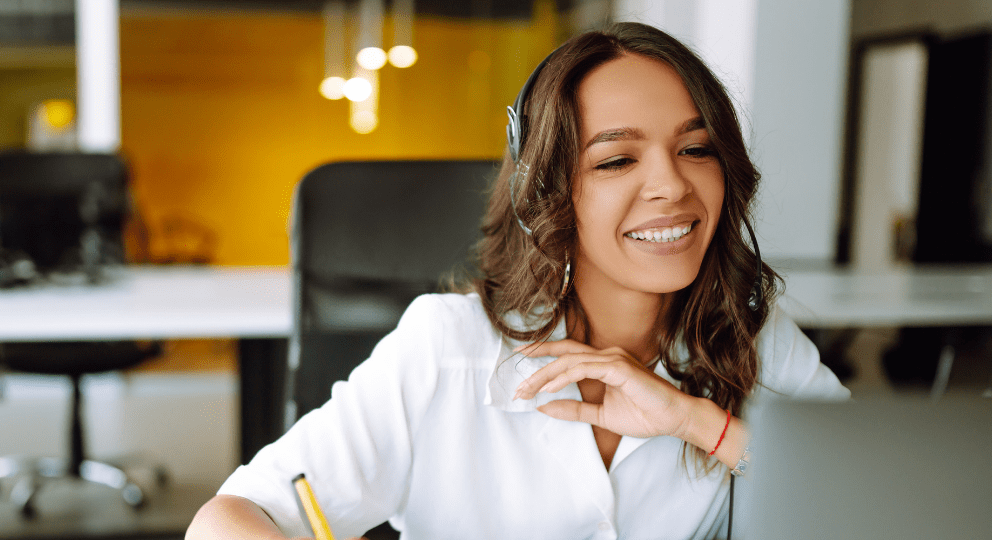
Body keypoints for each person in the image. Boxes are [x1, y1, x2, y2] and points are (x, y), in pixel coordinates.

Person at [187, 21, 848, 540]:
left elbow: (873, 504)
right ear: (545, 190)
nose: (672, 184)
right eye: (616, 159)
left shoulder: (750, 336)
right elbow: (224, 520)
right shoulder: (447, 348)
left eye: (695, 149)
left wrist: (698, 421)